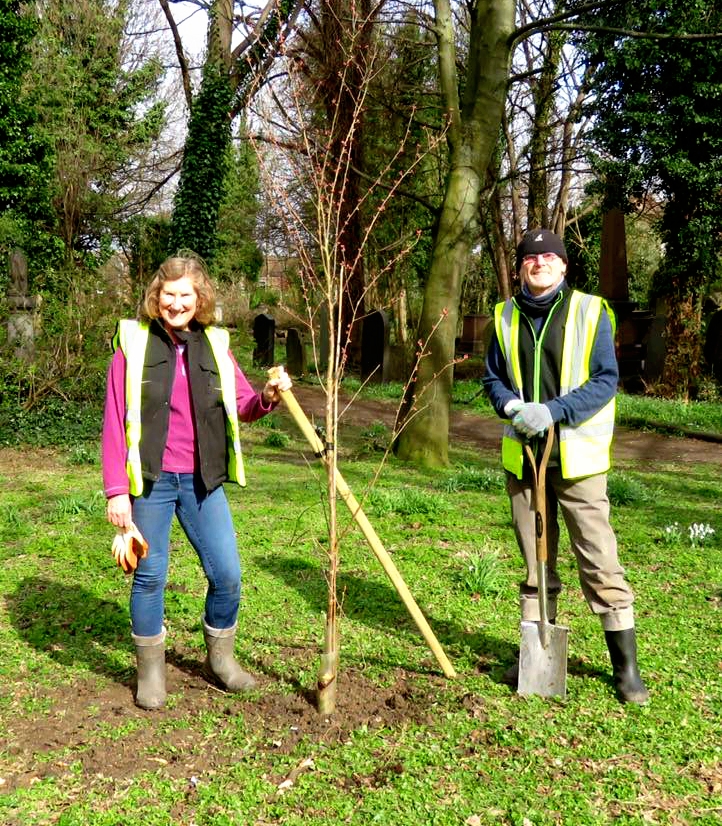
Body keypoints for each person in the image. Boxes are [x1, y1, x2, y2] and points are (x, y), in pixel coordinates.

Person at [102, 254, 292, 710]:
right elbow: (112, 419)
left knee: (227, 574)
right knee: (149, 575)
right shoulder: (133, 343)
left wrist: (266, 398)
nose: (176, 302)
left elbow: (243, 403)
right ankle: (151, 671)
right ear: (156, 297)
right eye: (169, 294)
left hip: (202, 480)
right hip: (150, 481)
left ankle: (220, 659)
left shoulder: (215, 344)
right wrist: (116, 493)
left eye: (186, 294)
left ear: (199, 298)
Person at [483, 228, 649, 704]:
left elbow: (605, 381)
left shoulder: (591, 311)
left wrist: (552, 411)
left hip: (578, 461)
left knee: (598, 559)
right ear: (520, 268)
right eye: (531, 258)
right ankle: (536, 649)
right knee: (536, 561)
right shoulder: (504, 315)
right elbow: (493, 379)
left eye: (549, 256)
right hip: (525, 460)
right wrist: (513, 408)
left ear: (564, 265)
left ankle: (626, 669)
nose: (540, 263)